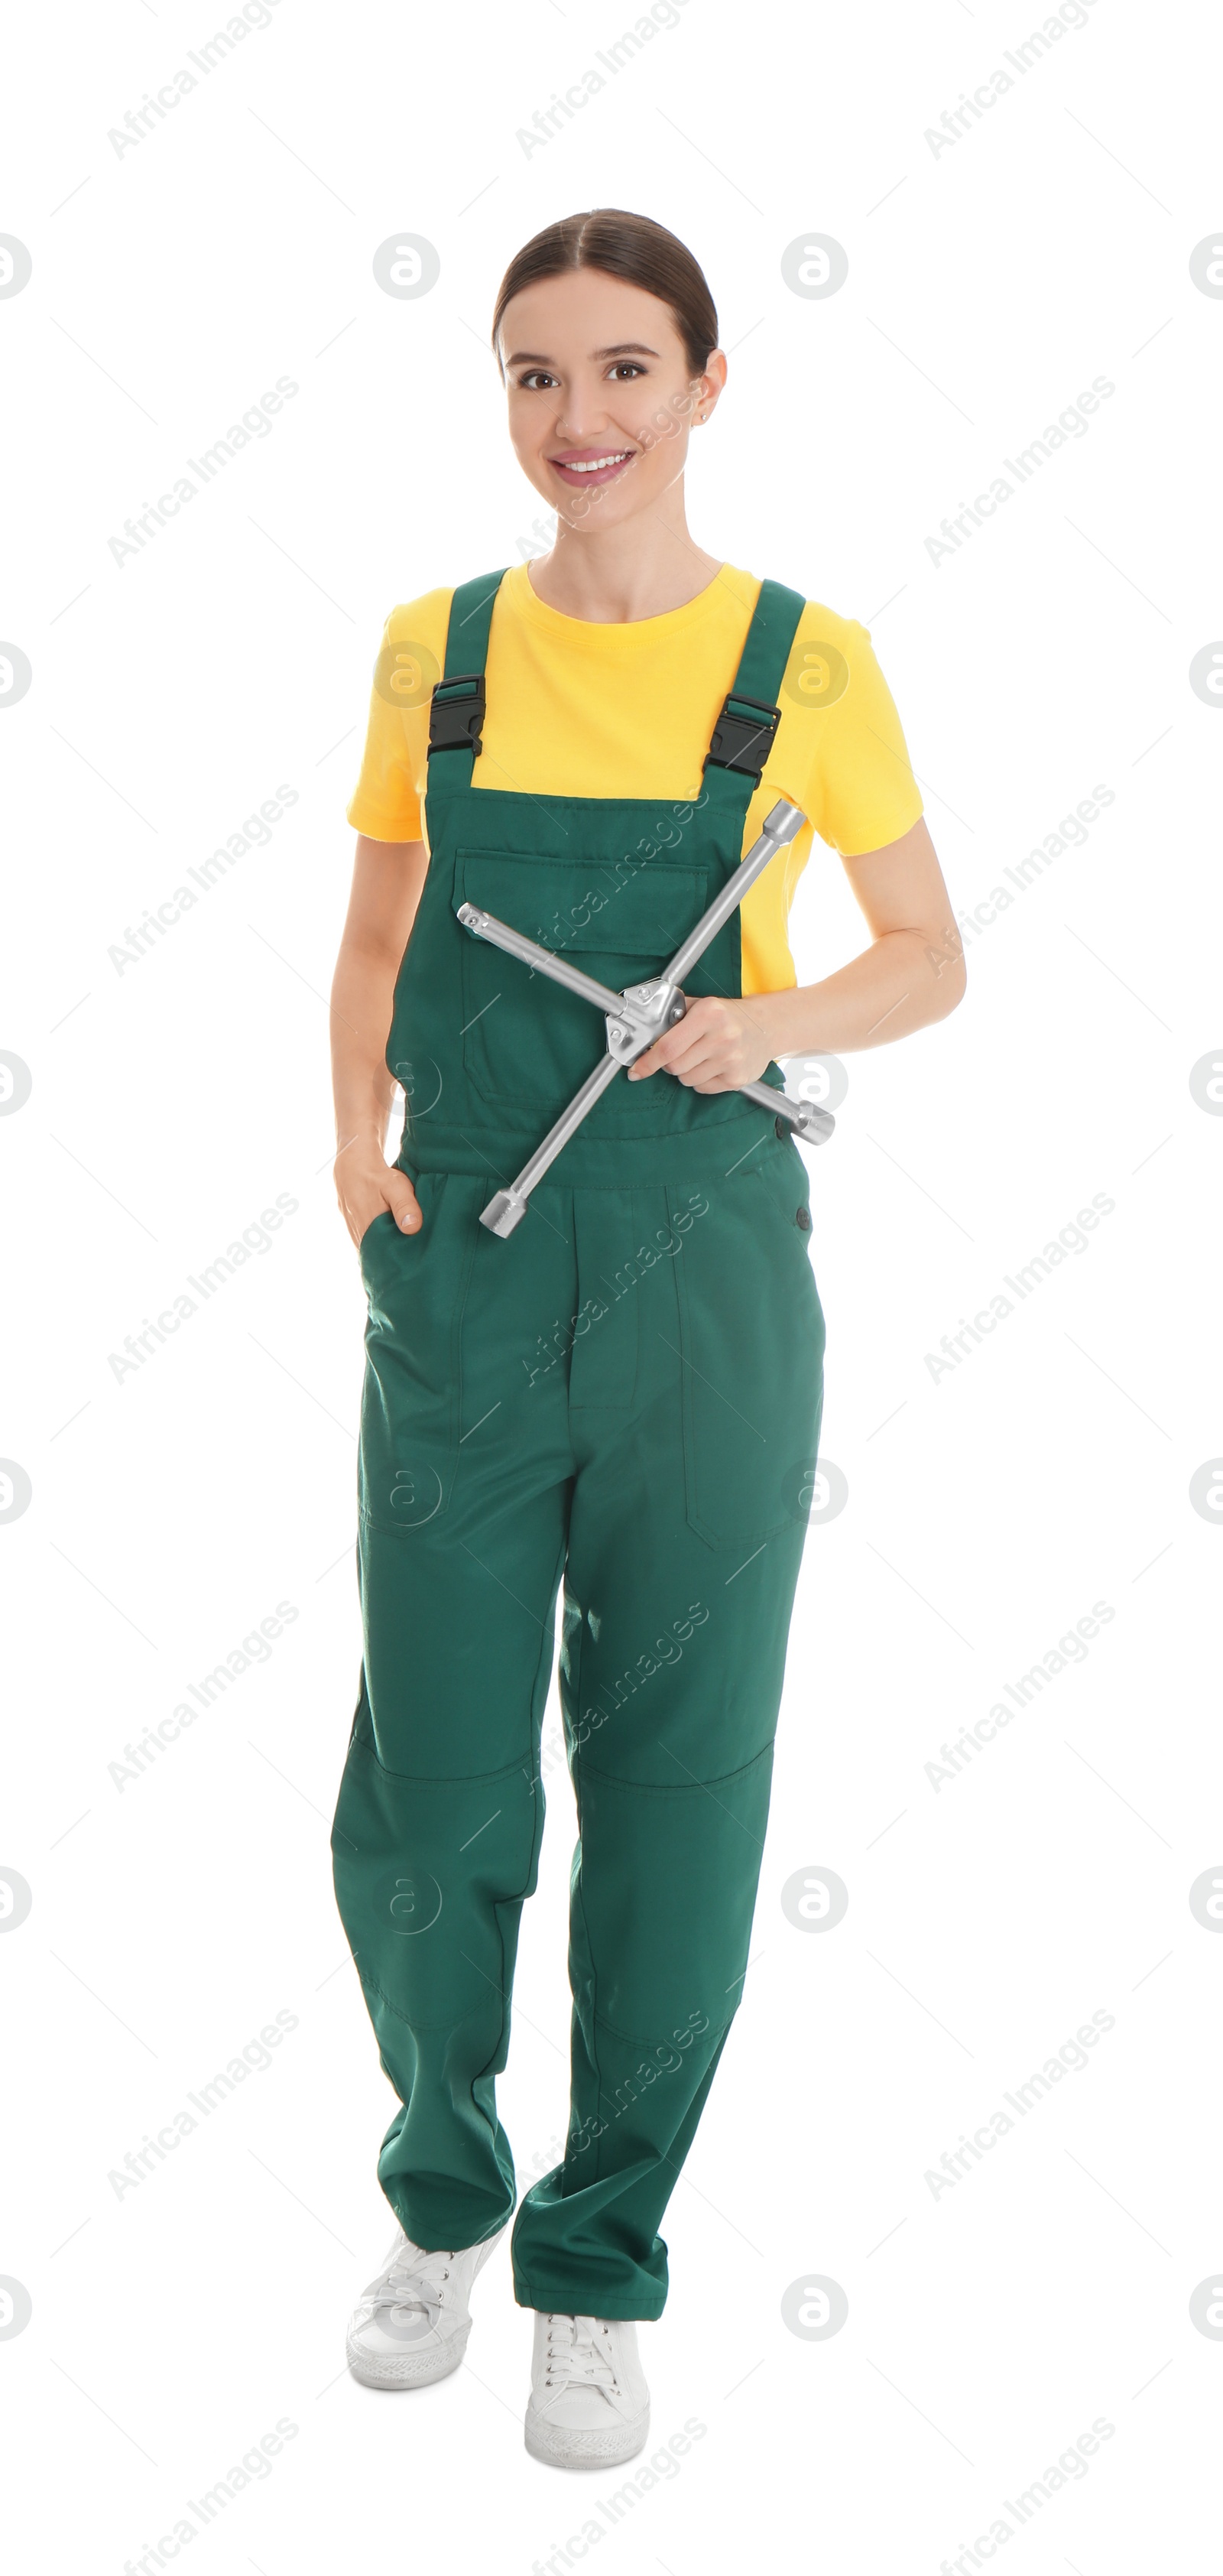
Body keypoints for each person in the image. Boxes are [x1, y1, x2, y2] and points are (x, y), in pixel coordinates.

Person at [328, 207, 965, 2473]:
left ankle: (598, 2269)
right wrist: (348, 1149)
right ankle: (443, 2186)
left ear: (707, 386)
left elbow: (925, 955)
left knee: (684, 1788)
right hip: (469, 1265)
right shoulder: (437, 653)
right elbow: (380, 924)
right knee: (430, 1789)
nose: (574, 418)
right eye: (531, 374)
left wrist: (752, 1023)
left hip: (705, 1271)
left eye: (620, 369)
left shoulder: (809, 662)